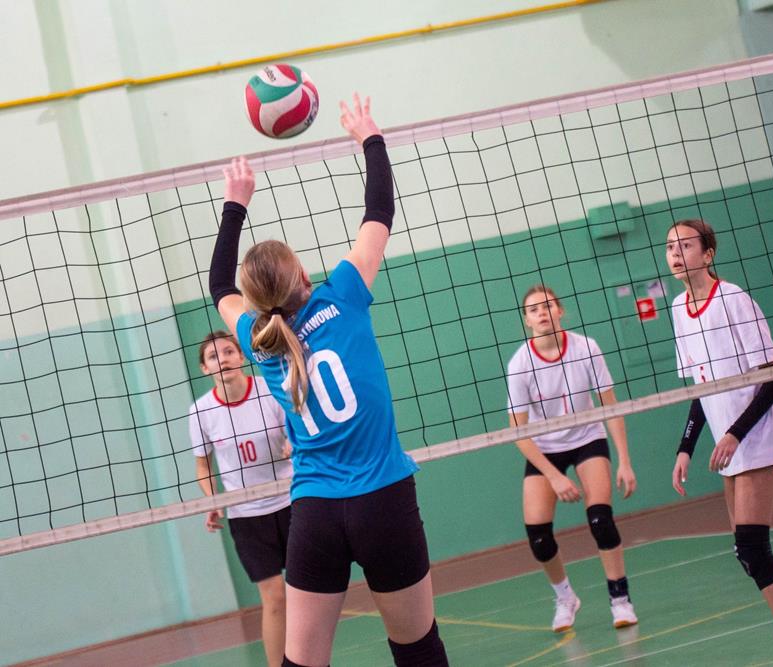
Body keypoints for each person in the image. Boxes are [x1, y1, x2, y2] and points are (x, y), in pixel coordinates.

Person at [208, 95, 449, 667]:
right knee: (418, 651)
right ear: (303, 273)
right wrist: (369, 136)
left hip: (314, 510)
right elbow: (379, 210)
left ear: (256, 300)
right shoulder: (343, 294)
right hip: (384, 500)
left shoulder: (258, 340)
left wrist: (234, 203)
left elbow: (218, 284)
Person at [666, 219, 773, 667]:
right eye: (670, 247)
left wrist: (736, 433)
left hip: (754, 438)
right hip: (727, 444)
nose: (676, 254)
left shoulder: (733, 299)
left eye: (685, 246)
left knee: (754, 550)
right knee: (746, 554)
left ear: (708, 254)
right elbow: (700, 387)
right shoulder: (678, 308)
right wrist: (686, 447)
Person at [506, 285, 638, 632]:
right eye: (534, 309)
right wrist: (553, 476)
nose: (542, 313)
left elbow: (611, 406)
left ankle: (620, 599)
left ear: (560, 311)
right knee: (538, 537)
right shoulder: (520, 364)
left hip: (586, 437)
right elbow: (518, 431)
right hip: (543, 447)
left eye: (548, 306)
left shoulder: (586, 348)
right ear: (527, 320)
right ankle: (566, 598)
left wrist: (624, 460)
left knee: (600, 520)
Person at [190, 330, 293, 667]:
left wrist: (294, 442)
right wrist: (213, 500)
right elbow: (203, 466)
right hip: (246, 516)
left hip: (292, 502)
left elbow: (298, 429)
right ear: (205, 368)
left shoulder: (269, 390)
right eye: (213, 356)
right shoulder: (201, 412)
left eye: (229, 352)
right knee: (274, 598)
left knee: (307, 592)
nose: (223, 360)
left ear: (242, 357)